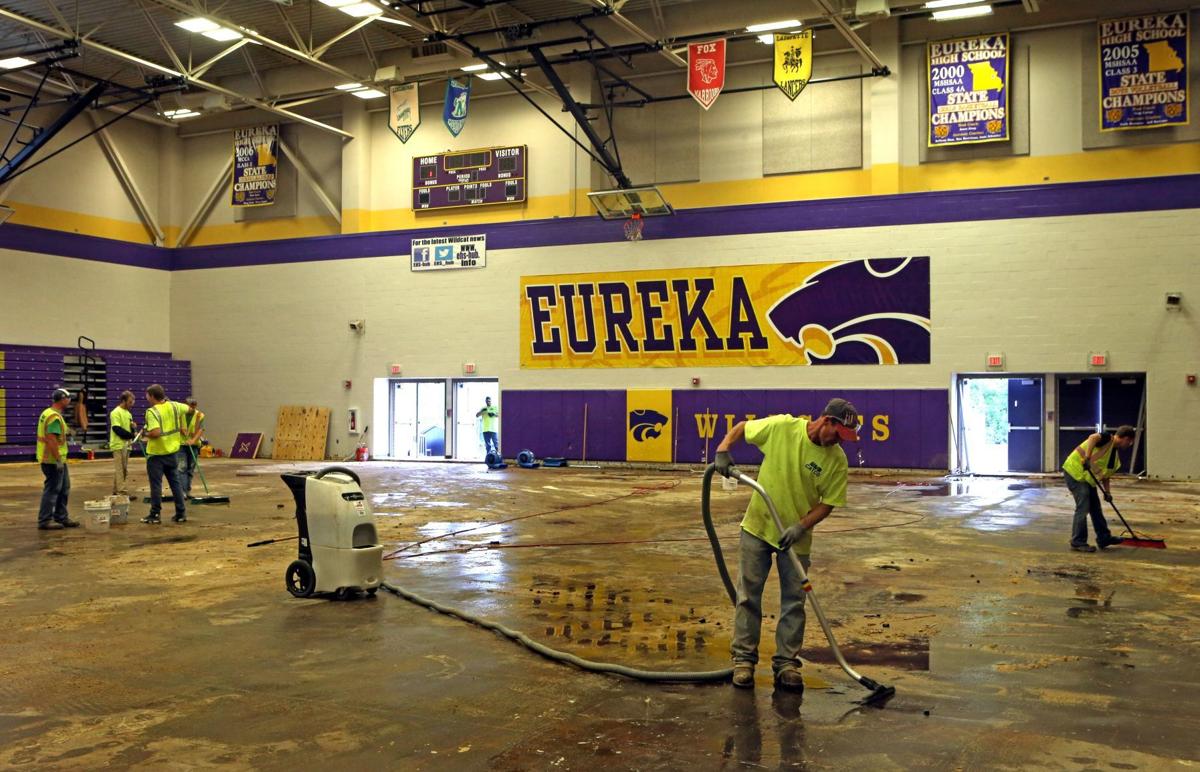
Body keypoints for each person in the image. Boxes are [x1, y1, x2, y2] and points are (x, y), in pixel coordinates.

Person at [714, 397, 857, 691]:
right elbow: (742, 427)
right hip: (758, 527)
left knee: (794, 602)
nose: (839, 442)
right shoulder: (782, 428)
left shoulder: (837, 461)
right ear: (827, 421)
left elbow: (828, 503)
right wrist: (723, 451)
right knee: (748, 596)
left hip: (796, 539)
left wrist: (800, 526)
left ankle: (786, 664)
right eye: (839, 434)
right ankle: (743, 661)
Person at [1061, 425, 1136, 552]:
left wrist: (1107, 492)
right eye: (1130, 442)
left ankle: (1104, 538)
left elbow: (1105, 475)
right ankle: (1078, 541)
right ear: (1126, 438)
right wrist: (1087, 457)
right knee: (1083, 506)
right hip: (1074, 472)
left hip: (1087, 479)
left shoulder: (1114, 457)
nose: (1129, 445)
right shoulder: (1107, 439)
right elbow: (1092, 437)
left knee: (1095, 508)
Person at [142, 384, 194, 524]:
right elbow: (190, 409)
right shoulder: (175, 406)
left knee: (156, 485)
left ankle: (155, 514)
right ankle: (181, 513)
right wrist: (183, 425)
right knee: (175, 484)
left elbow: (156, 432)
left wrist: (145, 433)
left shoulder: (152, 412)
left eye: (147, 395)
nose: (146, 398)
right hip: (172, 453)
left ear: (152, 396)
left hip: (156, 455)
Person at [36, 388, 80, 530]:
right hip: (53, 460)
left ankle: (61, 517)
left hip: (56, 459)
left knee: (64, 488)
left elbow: (58, 433)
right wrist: (58, 460)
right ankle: (45, 520)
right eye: (68, 398)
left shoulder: (50, 413)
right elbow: (51, 440)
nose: (69, 400)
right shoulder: (54, 417)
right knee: (53, 489)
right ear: (62, 399)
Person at [109, 390, 137, 496]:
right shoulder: (115, 412)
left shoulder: (128, 414)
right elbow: (117, 429)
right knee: (120, 470)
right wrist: (132, 435)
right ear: (123, 401)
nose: (131, 404)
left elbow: (129, 430)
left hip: (126, 445)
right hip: (118, 445)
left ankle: (116, 491)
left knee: (122, 470)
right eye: (130, 402)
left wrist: (133, 429)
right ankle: (122, 492)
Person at [176, 397, 206, 497]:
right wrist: (179, 429)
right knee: (182, 468)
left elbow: (200, 430)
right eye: (190, 407)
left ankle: (187, 491)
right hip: (181, 445)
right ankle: (182, 492)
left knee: (190, 469)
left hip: (193, 446)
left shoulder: (199, 415)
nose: (192, 409)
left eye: (193, 407)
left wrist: (193, 441)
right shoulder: (179, 414)